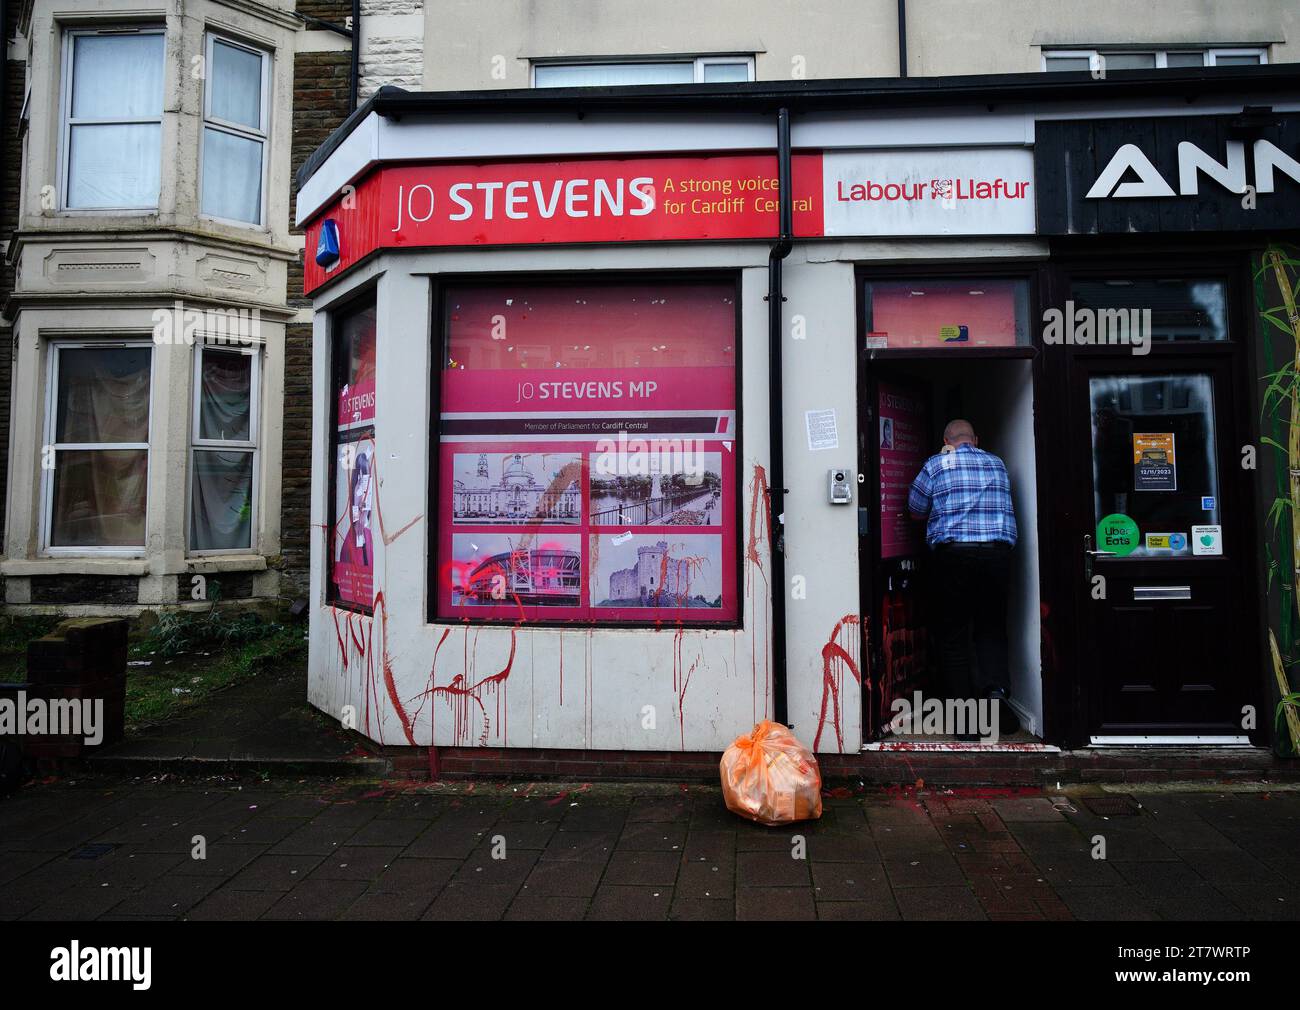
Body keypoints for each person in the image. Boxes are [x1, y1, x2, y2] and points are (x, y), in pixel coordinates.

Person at [907, 419, 1020, 738]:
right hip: (997, 555)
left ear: (946, 440)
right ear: (976, 439)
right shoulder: (997, 463)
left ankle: (965, 720)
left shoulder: (937, 463)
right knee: (992, 629)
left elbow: (915, 508)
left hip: (954, 556)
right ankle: (997, 704)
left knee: (954, 634)